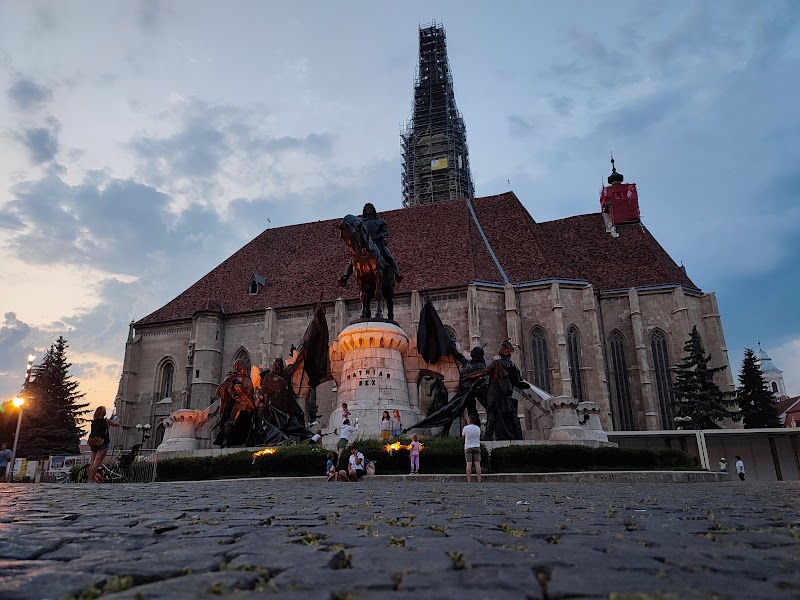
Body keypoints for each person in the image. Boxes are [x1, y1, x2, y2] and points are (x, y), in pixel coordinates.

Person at [466, 340, 529, 440]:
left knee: (492, 414)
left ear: (504, 351)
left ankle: (488, 436)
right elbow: (517, 381)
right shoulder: (513, 366)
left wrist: (470, 376)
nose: (500, 350)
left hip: (495, 392)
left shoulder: (497, 363)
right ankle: (519, 435)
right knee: (511, 413)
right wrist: (525, 386)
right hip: (506, 392)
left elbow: (484, 371)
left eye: (502, 348)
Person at [87, 406, 121, 484]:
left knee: (93, 463)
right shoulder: (105, 421)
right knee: (97, 463)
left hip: (94, 443)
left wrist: (111, 418)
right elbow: (116, 424)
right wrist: (118, 420)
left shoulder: (94, 422)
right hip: (102, 443)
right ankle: (91, 480)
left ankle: (89, 479)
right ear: (103, 413)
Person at [462, 416, 482, 483]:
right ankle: (479, 480)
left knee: (469, 463)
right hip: (476, 446)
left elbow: (463, 436)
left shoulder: (465, 428)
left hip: (468, 447)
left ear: (469, 421)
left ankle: (469, 480)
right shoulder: (477, 428)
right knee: (477, 463)